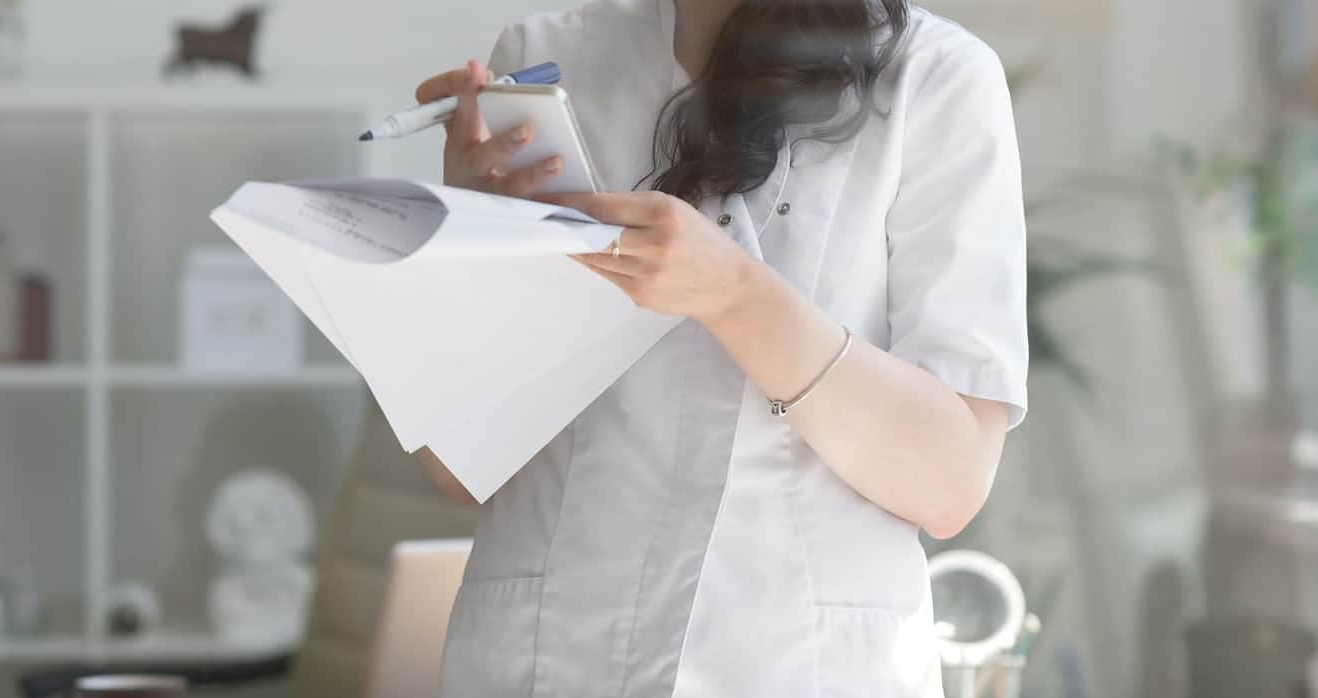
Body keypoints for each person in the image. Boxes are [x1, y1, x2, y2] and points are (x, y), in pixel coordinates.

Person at [411, 0, 1027, 695]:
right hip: (544, 662)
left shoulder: (935, 77)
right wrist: (469, 232)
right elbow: (458, 470)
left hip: (797, 667)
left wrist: (738, 295)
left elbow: (951, 481)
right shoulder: (546, 54)